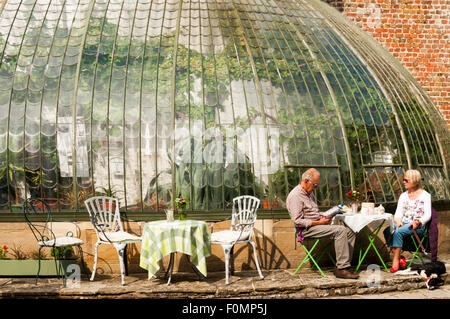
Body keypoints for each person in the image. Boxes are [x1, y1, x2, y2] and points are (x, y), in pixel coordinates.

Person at [286, 168, 359, 279]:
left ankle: (343, 265)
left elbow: (313, 212)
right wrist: (319, 222)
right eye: (315, 185)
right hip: (306, 230)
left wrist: (326, 214)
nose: (316, 188)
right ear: (306, 181)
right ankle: (342, 269)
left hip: (317, 224)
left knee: (351, 231)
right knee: (340, 230)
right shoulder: (295, 196)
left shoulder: (309, 193)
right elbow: (297, 221)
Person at [383, 169, 431, 273]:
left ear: (414, 180)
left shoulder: (425, 196)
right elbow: (398, 213)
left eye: (406, 180)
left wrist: (418, 222)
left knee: (398, 232)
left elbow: (428, 215)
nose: (403, 182)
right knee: (387, 230)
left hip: (417, 226)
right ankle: (400, 258)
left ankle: (395, 260)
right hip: (404, 223)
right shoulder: (403, 195)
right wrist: (398, 220)